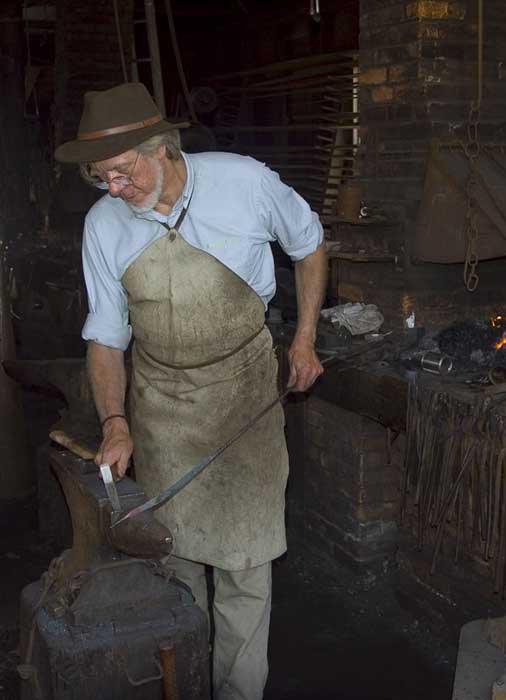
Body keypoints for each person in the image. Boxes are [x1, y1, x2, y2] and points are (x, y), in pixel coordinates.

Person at [55, 82, 327, 700]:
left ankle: (237, 693)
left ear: (163, 149)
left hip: (245, 396)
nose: (114, 190)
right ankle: (187, 681)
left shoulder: (245, 183)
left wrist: (305, 337)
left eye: (122, 173)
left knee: (244, 564)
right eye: (102, 179)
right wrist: (116, 421)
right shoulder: (105, 225)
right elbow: (105, 335)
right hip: (162, 405)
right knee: (174, 558)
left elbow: (309, 246)